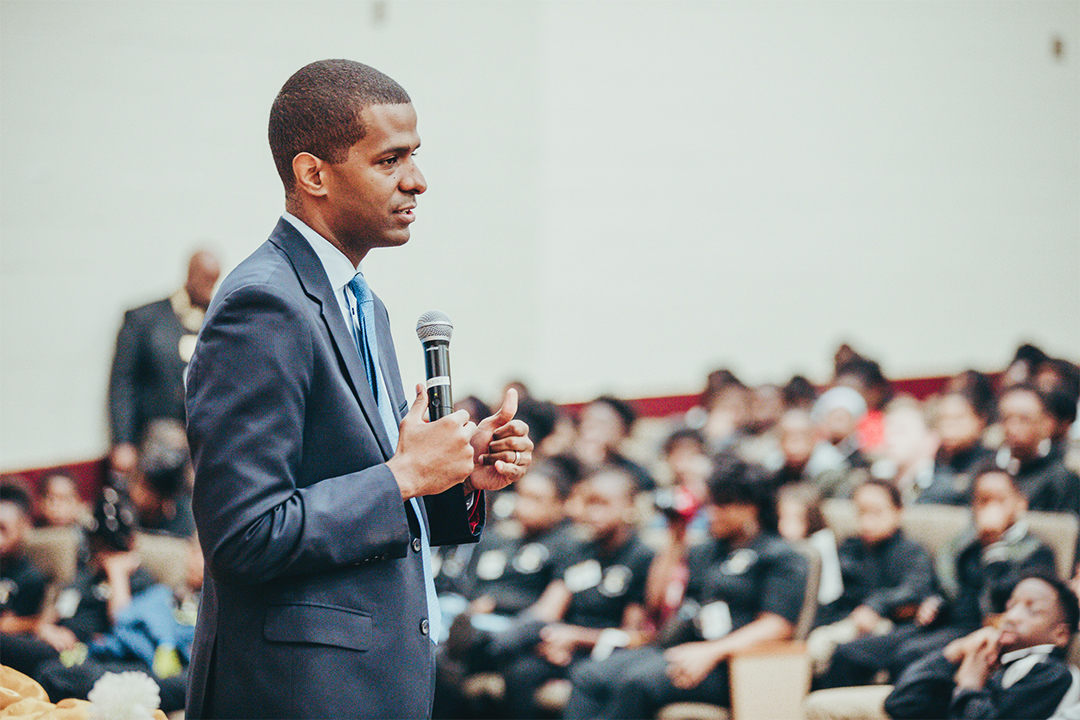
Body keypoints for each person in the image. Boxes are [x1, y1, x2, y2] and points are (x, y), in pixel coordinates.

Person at [183, 59, 533, 719]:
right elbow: (244, 536)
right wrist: (404, 475)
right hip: (297, 694)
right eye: (389, 160)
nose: (418, 181)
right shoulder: (263, 304)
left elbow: (359, 498)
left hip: (372, 680)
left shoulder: (362, 304)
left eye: (416, 156)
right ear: (313, 173)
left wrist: (455, 477)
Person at [562, 459, 809, 720]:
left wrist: (712, 652)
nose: (712, 512)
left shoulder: (782, 556)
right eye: (711, 503)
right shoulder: (706, 549)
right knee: (588, 675)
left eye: (722, 504)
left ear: (752, 508)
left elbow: (777, 626)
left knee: (636, 683)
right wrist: (675, 538)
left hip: (733, 664)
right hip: (683, 646)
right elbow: (656, 602)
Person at [818, 465, 1057, 689]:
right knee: (849, 653)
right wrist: (933, 602)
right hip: (943, 624)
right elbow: (943, 589)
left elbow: (1005, 601)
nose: (990, 508)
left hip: (983, 631)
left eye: (999, 500)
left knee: (909, 657)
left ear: (1020, 503)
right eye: (983, 500)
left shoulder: (1036, 551)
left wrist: (995, 547)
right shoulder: (962, 545)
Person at [494, 467, 654, 719]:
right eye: (589, 503)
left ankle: (484, 647)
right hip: (566, 644)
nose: (593, 513)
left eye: (603, 504)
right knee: (520, 672)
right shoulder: (577, 548)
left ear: (629, 506)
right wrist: (553, 640)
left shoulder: (641, 556)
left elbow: (633, 636)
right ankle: (487, 647)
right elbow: (551, 608)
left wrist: (577, 637)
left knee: (587, 679)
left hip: (604, 652)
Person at [884, 573, 1080, 720]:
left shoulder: (1051, 673)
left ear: (1060, 634)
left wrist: (969, 685)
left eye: (1031, 610)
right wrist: (954, 652)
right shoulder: (988, 658)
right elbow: (899, 704)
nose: (1011, 617)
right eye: (1011, 606)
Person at [108, 250, 221, 475]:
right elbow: (123, 382)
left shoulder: (217, 320)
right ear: (191, 273)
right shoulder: (146, 319)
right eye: (205, 279)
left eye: (214, 280)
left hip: (202, 440)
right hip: (154, 436)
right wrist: (122, 441)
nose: (209, 287)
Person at [807, 480, 934, 678]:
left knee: (840, 650)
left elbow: (915, 588)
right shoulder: (848, 549)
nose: (867, 522)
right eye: (861, 512)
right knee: (816, 644)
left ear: (898, 511)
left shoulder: (913, 551)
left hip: (894, 626)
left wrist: (875, 606)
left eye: (876, 512)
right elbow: (834, 596)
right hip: (848, 622)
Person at [996, 383, 1079, 515]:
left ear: (1046, 423)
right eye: (1006, 419)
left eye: (1024, 419)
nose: (1012, 428)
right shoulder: (988, 470)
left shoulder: (1061, 479)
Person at [0, 479, 53, 677]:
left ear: (24, 527)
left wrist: (28, 624)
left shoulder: (30, 578)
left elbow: (11, 627)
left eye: (3, 529)